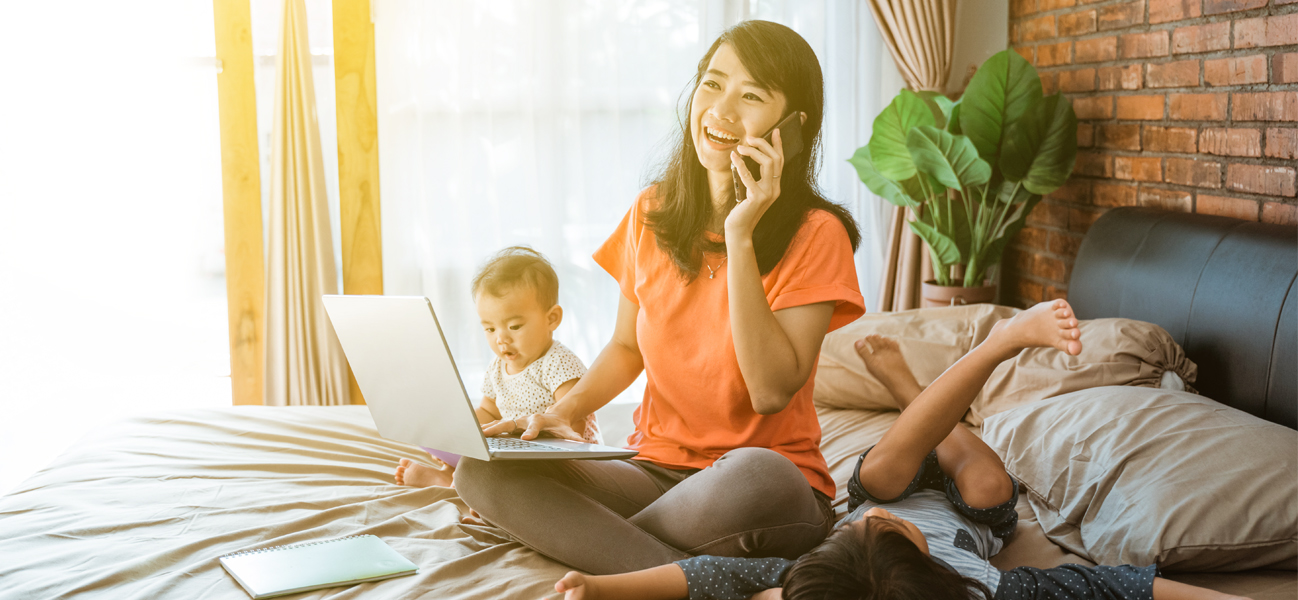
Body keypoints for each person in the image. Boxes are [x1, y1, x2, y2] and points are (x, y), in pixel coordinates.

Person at [453, 20, 865, 575]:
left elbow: (769, 390)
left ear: (793, 126)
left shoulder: (818, 233)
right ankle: (686, 579)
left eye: (751, 96)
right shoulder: (652, 212)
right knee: (480, 472)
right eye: (712, 84)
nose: (720, 110)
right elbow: (627, 347)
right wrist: (561, 414)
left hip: (761, 486)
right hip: (654, 472)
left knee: (756, 473)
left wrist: (741, 233)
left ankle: (597, 543)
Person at [548, 300, 1252, 600]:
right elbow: (1128, 589)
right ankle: (979, 356)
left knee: (882, 474)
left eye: (863, 533)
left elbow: (707, 578)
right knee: (978, 486)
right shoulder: (991, 587)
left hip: (881, 478)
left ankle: (921, 391)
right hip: (980, 516)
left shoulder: (807, 580)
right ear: (929, 568)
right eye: (891, 535)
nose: (881, 524)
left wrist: (599, 588)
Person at [393, 246, 598, 488]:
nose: (501, 339)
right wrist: (456, 432)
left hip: (561, 461)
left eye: (514, 326)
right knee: (479, 460)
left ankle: (461, 485)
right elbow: (489, 412)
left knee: (509, 478)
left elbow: (572, 423)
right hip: (513, 452)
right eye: (490, 329)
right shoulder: (497, 367)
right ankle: (452, 477)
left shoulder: (559, 363)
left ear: (551, 318)